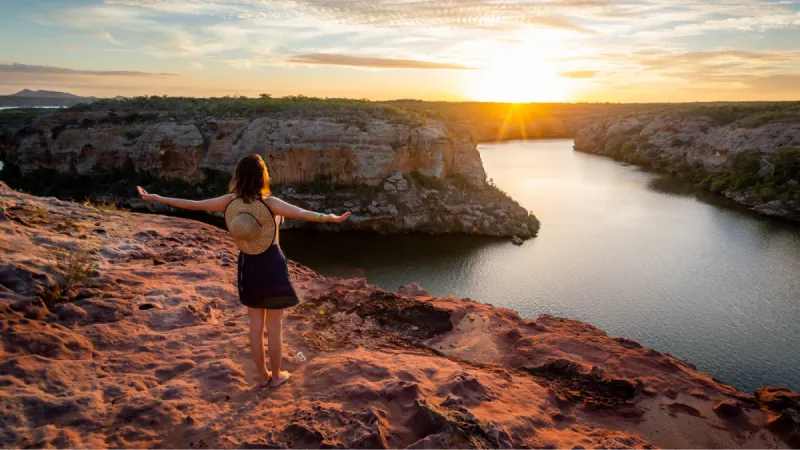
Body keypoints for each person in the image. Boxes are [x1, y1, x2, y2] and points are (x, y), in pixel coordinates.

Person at [136, 154, 350, 387]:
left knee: (255, 327)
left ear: (238, 177)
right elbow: (304, 214)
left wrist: (156, 197)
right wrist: (331, 218)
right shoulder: (270, 203)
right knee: (275, 327)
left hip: (248, 263)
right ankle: (277, 376)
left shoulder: (229, 202)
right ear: (262, 178)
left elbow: (193, 204)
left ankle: (262, 376)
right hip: (271, 265)